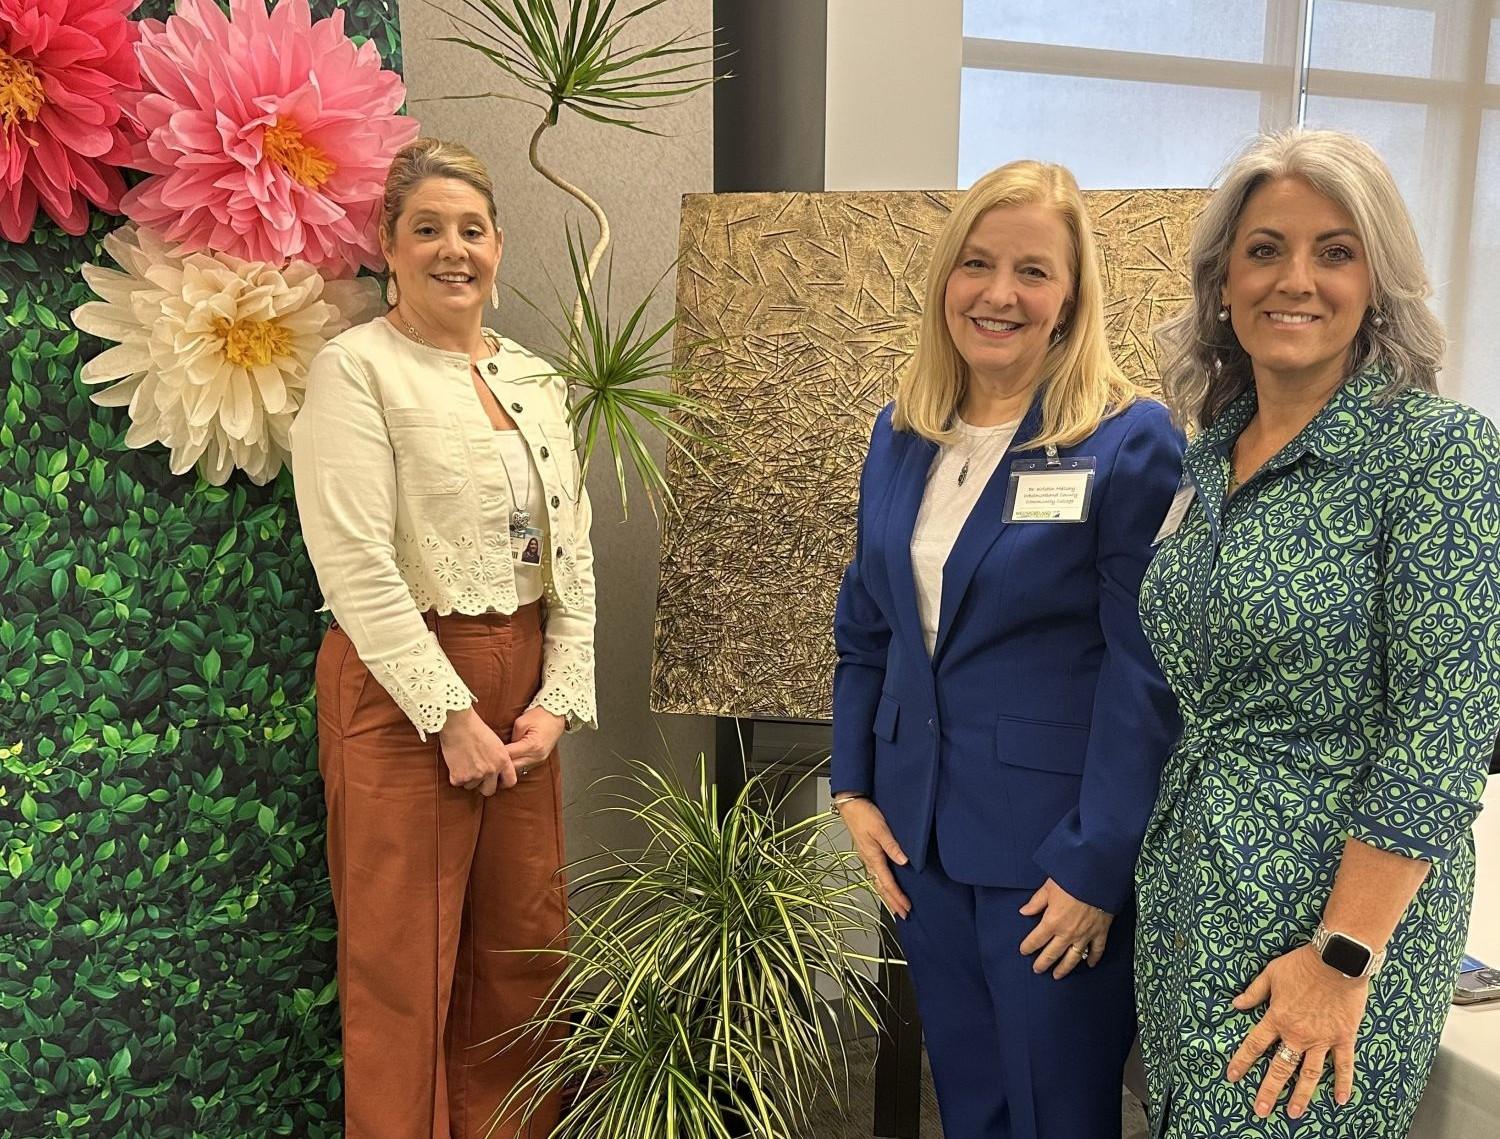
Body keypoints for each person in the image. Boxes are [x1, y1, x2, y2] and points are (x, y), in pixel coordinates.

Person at [1138, 128, 1500, 1136]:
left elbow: (1443, 730)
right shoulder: (1209, 455)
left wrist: (1342, 956)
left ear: (1376, 282)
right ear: (1224, 281)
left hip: (1329, 928)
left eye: (1335, 252)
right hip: (1191, 892)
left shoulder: (1437, 452)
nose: (1295, 279)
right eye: (1266, 249)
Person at [830, 159, 1184, 1139]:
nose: (999, 293)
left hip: (1051, 855)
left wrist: (1097, 864)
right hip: (920, 840)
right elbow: (867, 625)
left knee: (1054, 1112)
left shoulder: (1129, 440)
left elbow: (1146, 674)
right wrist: (853, 786)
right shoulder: (901, 432)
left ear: (1071, 296)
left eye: (1033, 270)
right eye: (978, 263)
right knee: (973, 1104)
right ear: (946, 277)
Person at [289, 138, 597, 1139]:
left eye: (472, 229)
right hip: (402, 684)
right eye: (427, 228)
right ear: (388, 244)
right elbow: (354, 564)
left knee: (522, 952)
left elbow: (572, 549)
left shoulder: (538, 380)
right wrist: (451, 716)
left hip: (524, 685)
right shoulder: (355, 370)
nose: (452, 249)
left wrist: (558, 700)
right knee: (401, 966)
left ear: (498, 245)